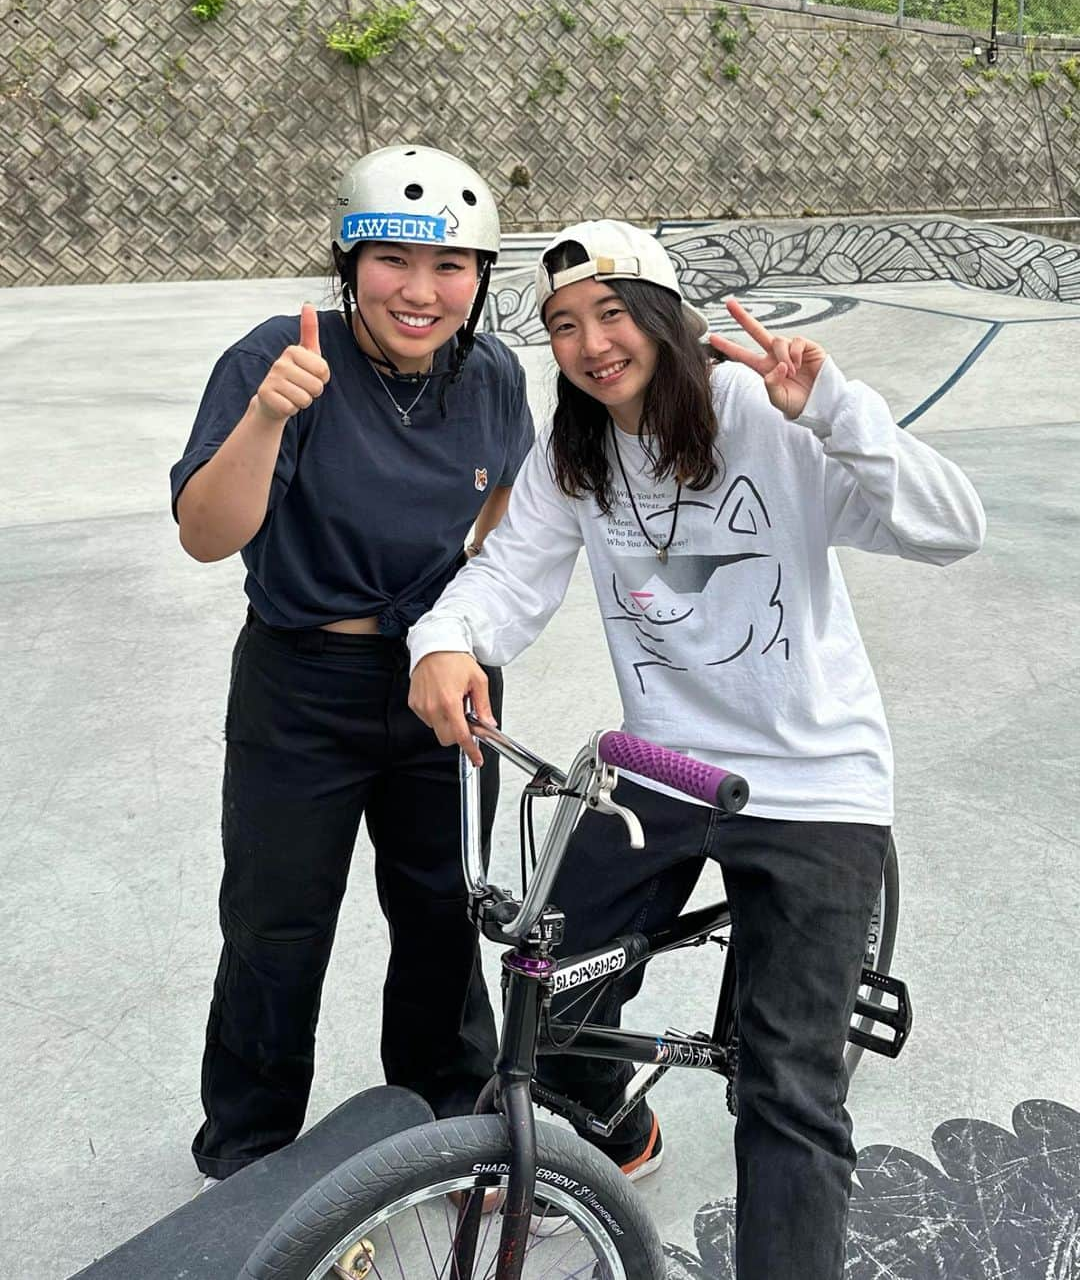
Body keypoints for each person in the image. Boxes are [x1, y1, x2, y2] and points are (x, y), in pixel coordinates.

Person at [406, 220, 985, 1277]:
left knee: (787, 1089)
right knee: (547, 998)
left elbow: (953, 528)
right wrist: (445, 642)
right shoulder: (574, 456)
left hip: (815, 783)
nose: (590, 345)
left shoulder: (765, 414)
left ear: (668, 319)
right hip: (661, 769)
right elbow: (505, 578)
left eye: (613, 315)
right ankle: (617, 1132)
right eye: (565, 326)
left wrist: (839, 412)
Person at [170, 145, 535, 1187]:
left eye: (452, 268)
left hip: (440, 682)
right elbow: (206, 533)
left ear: (479, 278)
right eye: (394, 262)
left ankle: (444, 1120)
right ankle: (246, 1151)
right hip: (301, 683)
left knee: (442, 915)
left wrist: (457, 619)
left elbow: (505, 514)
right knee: (276, 925)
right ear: (349, 259)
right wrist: (271, 413)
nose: (421, 293)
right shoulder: (276, 356)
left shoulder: (494, 376)